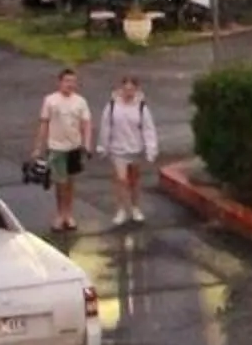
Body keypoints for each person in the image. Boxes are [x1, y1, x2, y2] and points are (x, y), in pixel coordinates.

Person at [30, 67, 94, 232]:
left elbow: (86, 124)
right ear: (59, 82)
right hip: (56, 148)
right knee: (60, 182)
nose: (70, 84)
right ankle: (59, 214)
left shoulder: (80, 101)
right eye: (67, 81)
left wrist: (87, 144)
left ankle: (68, 214)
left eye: (73, 81)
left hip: (74, 147)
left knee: (71, 182)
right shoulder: (50, 100)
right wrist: (38, 147)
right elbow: (44, 123)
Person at [101, 74, 160, 226]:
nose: (128, 92)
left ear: (136, 89)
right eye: (126, 88)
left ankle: (135, 207)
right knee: (121, 180)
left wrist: (150, 149)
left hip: (135, 149)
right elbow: (106, 126)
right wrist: (103, 145)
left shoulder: (141, 107)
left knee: (134, 181)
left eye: (131, 89)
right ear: (121, 89)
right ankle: (121, 209)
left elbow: (148, 129)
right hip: (118, 149)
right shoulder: (112, 106)